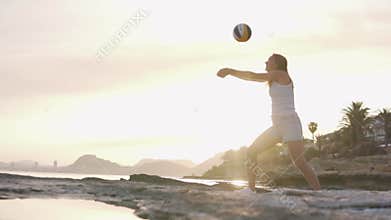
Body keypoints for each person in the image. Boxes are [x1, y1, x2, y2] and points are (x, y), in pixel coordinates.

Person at [217, 53, 321, 191]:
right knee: (252, 151)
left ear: (277, 64)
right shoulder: (274, 79)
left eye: (269, 61)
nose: (265, 62)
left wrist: (230, 71)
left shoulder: (280, 74)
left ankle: (318, 192)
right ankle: (251, 190)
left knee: (299, 162)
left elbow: (252, 76)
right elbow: (253, 76)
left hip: (290, 123)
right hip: (278, 126)